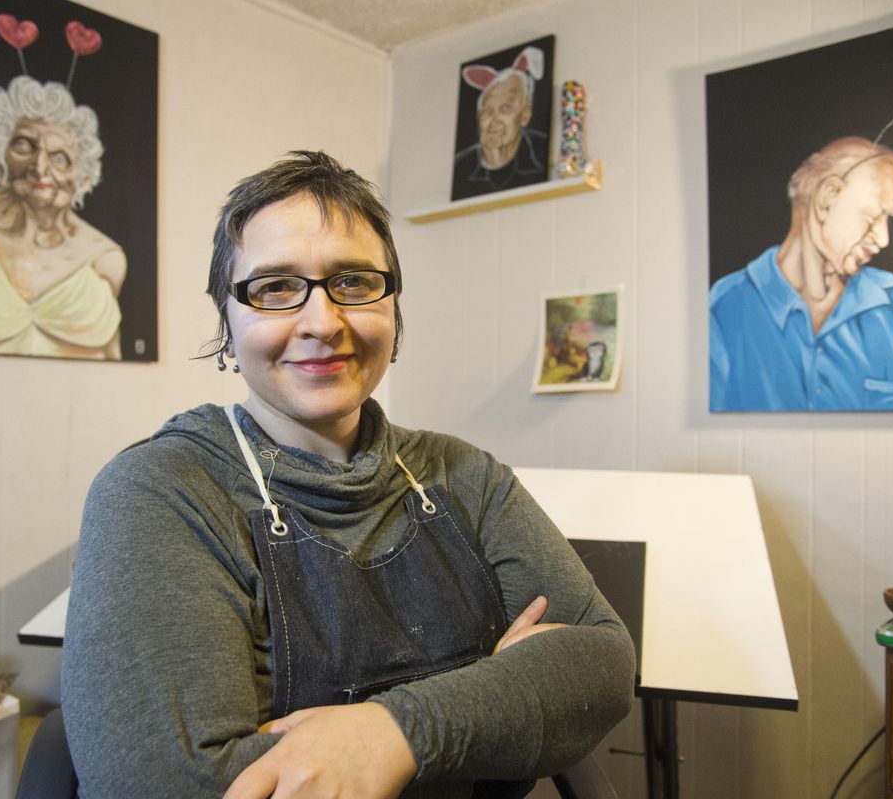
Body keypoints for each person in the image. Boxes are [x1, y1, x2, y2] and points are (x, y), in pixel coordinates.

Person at [62, 151, 635, 798]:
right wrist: (503, 693)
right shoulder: (163, 492)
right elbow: (173, 783)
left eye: (355, 283)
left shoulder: (464, 473)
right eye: (275, 287)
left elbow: (600, 665)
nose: (322, 322)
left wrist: (392, 734)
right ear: (227, 323)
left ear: (394, 310)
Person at [710, 136, 893, 411]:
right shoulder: (723, 308)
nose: (883, 239)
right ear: (826, 199)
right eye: (873, 217)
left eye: (888, 219)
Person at [0, 75, 126, 359]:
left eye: (59, 157)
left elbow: (114, 356)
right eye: (23, 146)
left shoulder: (106, 257)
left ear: (81, 175)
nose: (39, 167)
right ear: (0, 155)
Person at [453, 46, 548, 199]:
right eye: (488, 112)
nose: (494, 120)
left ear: (525, 114)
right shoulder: (461, 166)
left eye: (505, 108)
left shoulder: (540, 153)